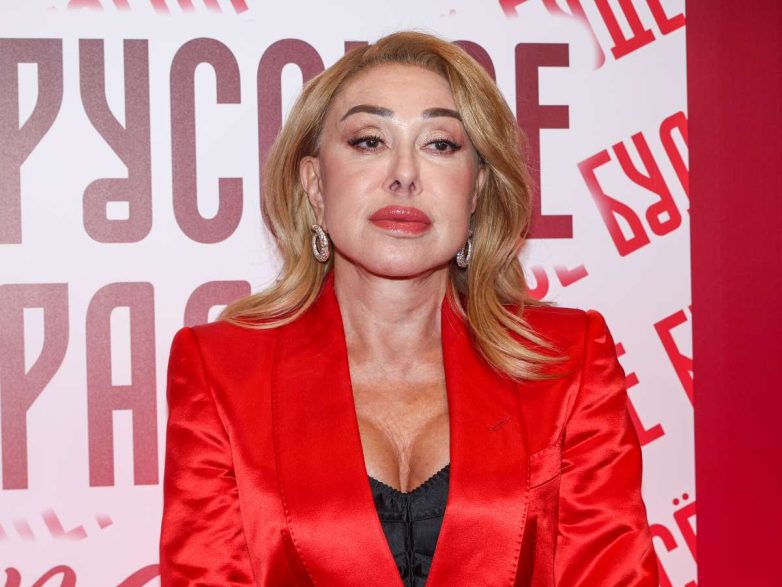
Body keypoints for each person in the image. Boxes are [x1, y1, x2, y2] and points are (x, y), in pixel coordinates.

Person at [159, 30, 658, 586]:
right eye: (369, 140)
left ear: (476, 191)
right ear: (315, 185)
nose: (404, 174)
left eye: (439, 144)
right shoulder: (220, 370)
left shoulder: (567, 359)